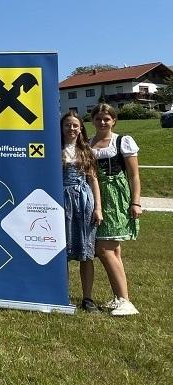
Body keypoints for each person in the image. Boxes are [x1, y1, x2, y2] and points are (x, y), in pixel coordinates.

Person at [89, 103, 141, 316]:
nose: (102, 122)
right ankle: (120, 297)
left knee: (104, 249)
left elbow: (134, 175)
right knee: (114, 250)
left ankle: (126, 301)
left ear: (113, 121)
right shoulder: (89, 143)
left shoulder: (122, 141)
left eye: (107, 119)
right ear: (93, 120)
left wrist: (135, 201)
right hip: (96, 195)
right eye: (99, 118)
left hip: (117, 196)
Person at [60, 111, 102, 312]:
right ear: (62, 128)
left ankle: (87, 298)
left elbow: (93, 180)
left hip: (84, 201)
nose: (71, 129)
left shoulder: (86, 151)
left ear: (81, 128)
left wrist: (98, 208)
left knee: (86, 253)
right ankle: (62, 294)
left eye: (75, 125)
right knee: (63, 252)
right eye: (68, 125)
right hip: (62, 201)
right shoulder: (55, 150)